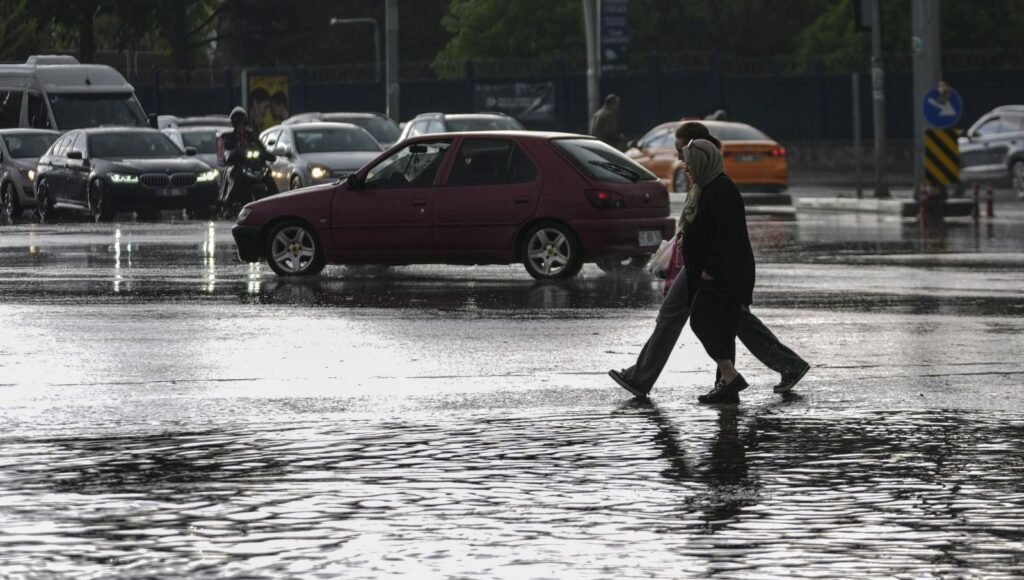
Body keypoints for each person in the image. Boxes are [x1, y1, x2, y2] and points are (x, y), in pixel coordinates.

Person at [608, 122, 808, 402]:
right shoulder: (703, 182)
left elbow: (725, 236)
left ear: (698, 151)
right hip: (703, 265)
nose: (680, 160)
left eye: (683, 152)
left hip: (710, 269)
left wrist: (708, 270)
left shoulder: (718, 187)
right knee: (732, 320)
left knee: (686, 317)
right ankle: (757, 374)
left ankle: (644, 378)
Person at [220, 106, 276, 209]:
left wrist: (268, 155)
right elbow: (227, 153)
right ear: (233, 124)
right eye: (237, 123)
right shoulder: (229, 137)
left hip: (256, 166)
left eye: (241, 123)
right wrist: (236, 152)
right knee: (236, 176)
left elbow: (262, 148)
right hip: (240, 165)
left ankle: (277, 201)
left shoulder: (252, 135)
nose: (240, 126)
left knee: (269, 176)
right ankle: (231, 204)